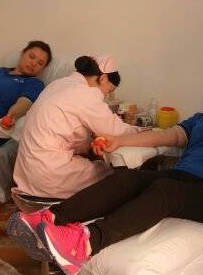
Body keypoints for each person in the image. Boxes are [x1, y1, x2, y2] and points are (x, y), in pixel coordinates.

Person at [8, 65, 203, 275]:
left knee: (165, 189)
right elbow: (166, 136)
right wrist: (120, 140)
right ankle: (50, 218)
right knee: (128, 178)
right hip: (185, 179)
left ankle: (86, 242)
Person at [12, 54, 139, 199]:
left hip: (26, 172)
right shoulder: (86, 93)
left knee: (93, 163)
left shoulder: (57, 84)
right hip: (49, 173)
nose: (105, 96)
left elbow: (61, 131)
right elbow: (118, 131)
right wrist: (145, 131)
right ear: (103, 78)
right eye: (108, 91)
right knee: (111, 174)